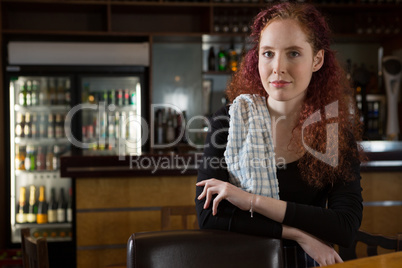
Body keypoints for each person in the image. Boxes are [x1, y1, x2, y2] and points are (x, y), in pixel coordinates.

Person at [195, 2, 365, 267]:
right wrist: (298, 234)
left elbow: (344, 226)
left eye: (294, 53)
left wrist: (249, 201)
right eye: (268, 53)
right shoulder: (229, 120)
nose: (278, 67)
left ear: (317, 60)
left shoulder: (333, 132)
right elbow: (209, 217)